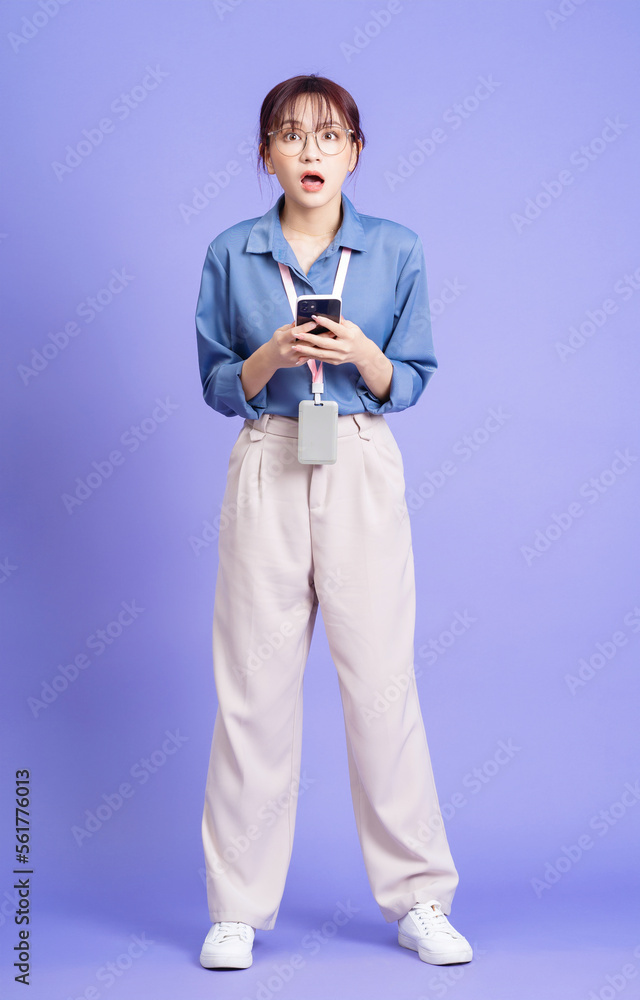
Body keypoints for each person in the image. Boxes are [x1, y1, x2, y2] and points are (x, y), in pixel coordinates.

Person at [194, 73, 472, 972]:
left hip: (356, 455)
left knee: (383, 687)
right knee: (253, 694)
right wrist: (270, 353)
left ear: (355, 149)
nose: (310, 151)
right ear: (265, 153)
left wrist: (365, 355)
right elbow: (212, 382)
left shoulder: (395, 249)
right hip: (270, 453)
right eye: (289, 133)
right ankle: (236, 907)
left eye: (329, 135)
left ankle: (419, 899)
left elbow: (417, 375)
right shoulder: (232, 252)